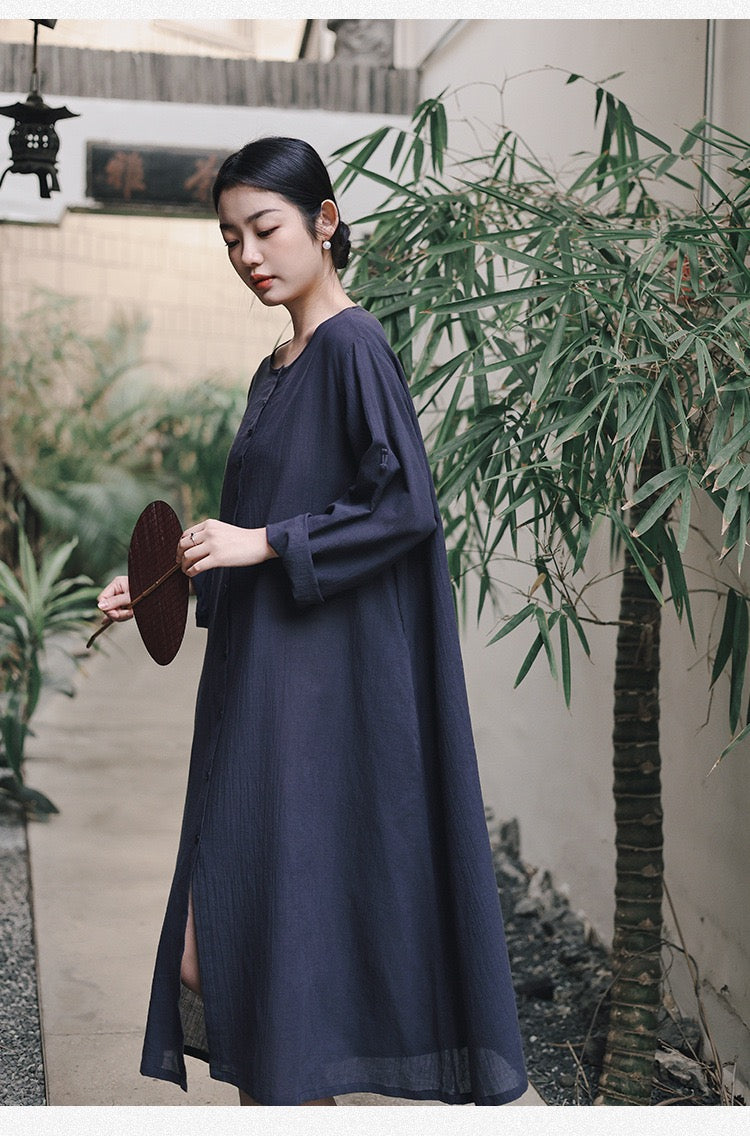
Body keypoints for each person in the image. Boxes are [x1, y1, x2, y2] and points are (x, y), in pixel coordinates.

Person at [97, 136, 527, 1107]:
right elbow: (263, 529)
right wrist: (163, 587)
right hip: (254, 692)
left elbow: (404, 507)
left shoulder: (352, 345)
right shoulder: (276, 368)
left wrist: (263, 542)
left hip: (310, 704)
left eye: (265, 228)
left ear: (324, 221)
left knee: (247, 956)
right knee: (241, 959)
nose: (249, 255)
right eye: (231, 239)